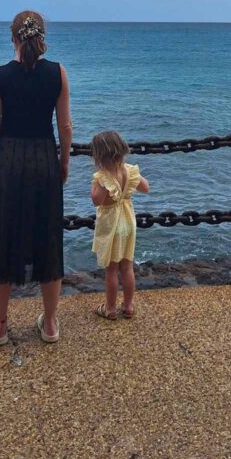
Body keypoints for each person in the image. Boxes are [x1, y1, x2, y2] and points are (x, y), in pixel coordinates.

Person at [0, 10, 72, 345]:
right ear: (42, 36)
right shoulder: (58, 74)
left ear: (13, 37)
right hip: (44, 159)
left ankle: (0, 325)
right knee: (47, 239)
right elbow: (65, 127)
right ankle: (49, 324)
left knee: (2, 236)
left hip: (8, 161)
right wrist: (63, 162)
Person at [90, 130, 149, 320]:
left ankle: (110, 308)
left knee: (111, 270)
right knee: (127, 267)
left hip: (112, 226)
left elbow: (96, 200)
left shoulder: (103, 177)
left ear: (98, 156)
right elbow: (145, 187)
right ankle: (129, 306)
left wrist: (100, 186)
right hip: (128, 221)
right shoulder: (130, 171)